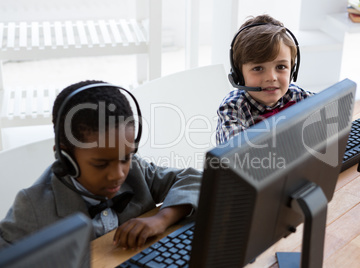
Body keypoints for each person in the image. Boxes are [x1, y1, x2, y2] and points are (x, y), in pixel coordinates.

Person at [0, 80, 202, 250]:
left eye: (126, 157)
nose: (117, 173)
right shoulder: (32, 206)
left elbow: (197, 180)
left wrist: (162, 219)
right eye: (100, 164)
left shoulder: (136, 171)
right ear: (66, 156)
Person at [216, 14, 315, 145]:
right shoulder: (233, 108)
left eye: (281, 67)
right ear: (239, 74)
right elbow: (238, 154)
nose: (272, 78)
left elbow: (331, 109)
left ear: (292, 70)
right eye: (258, 68)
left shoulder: (296, 95)